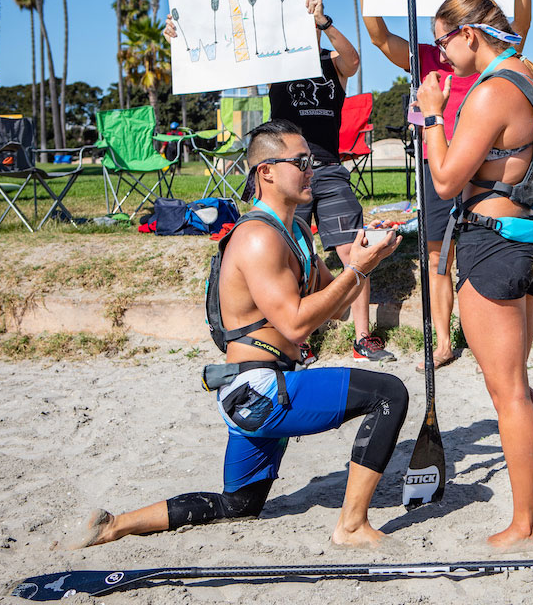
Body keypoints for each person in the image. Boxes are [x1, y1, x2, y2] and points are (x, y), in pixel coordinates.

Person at [69, 120, 408, 550]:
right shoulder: (257, 239)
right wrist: (357, 269)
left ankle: (115, 525)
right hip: (263, 391)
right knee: (388, 394)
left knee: (239, 504)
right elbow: (297, 324)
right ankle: (353, 525)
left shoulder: (299, 233)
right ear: (266, 171)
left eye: (314, 161)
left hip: (251, 394)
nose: (313, 170)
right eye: (301, 162)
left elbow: (336, 309)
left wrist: (366, 261)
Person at [416, 0, 533, 552]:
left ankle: (527, 524)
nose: (441, 56)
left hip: (492, 245)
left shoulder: (492, 92)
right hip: (527, 241)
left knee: (507, 392)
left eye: (444, 41)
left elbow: (444, 181)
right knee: (518, 383)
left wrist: (431, 115)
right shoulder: (529, 73)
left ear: (470, 33)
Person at [165, 0, 395, 363]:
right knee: (285, 253)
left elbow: (353, 60)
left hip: (328, 167)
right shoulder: (273, 61)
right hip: (285, 174)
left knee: (355, 250)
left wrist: (325, 22)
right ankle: (297, 337)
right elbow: (219, 59)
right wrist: (184, 36)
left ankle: (362, 337)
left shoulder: (330, 61)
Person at [353, 0, 533, 370]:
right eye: (438, 41)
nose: (444, 48)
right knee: (436, 256)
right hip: (441, 165)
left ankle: (480, 326)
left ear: (467, 33)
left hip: (484, 176)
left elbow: (517, 31)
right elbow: (379, 38)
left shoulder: (492, 62)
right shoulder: (428, 56)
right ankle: (442, 341)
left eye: (446, 38)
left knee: (478, 252)